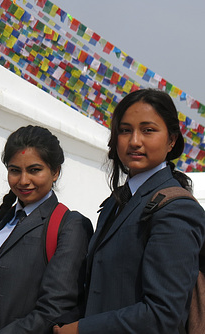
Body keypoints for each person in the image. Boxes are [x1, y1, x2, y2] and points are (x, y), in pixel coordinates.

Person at [54, 88, 205, 334]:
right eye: (125, 130)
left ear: (171, 140)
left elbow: (162, 314)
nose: (134, 141)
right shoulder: (115, 204)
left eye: (148, 130)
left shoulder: (177, 210)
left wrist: (82, 329)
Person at [0, 125, 93, 334]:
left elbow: (54, 309)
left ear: (55, 171)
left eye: (34, 170)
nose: (23, 181)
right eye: (15, 170)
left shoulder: (70, 226)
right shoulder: (1, 220)